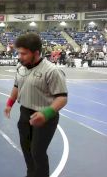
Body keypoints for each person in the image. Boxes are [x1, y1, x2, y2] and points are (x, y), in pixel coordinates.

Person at [4, 33, 68, 177]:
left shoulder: (52, 71)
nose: (20, 57)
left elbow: (62, 98)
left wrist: (46, 114)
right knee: (27, 151)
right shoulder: (21, 67)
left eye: (24, 53)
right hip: (25, 114)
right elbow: (16, 86)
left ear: (36, 53)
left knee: (37, 152)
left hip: (45, 117)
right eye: (19, 53)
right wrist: (9, 103)